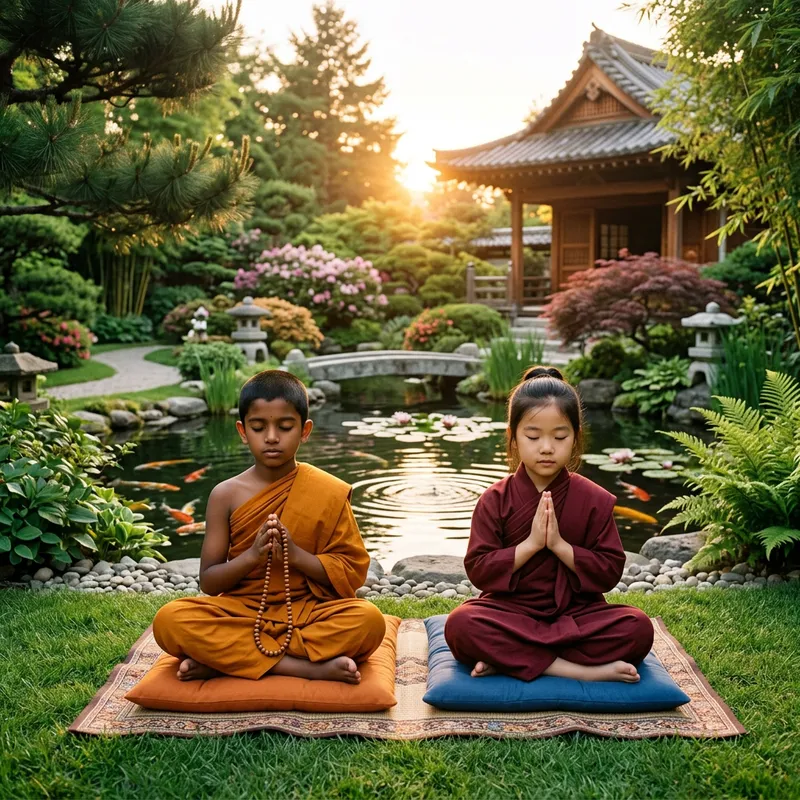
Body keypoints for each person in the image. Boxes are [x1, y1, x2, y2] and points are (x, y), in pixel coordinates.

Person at [152, 370, 386, 684]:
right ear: (242, 431)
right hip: (241, 611)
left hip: (309, 611)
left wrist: (295, 554)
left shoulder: (326, 490)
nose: (272, 437)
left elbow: (352, 572)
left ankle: (226, 661)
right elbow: (209, 581)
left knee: (369, 621)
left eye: (285, 427)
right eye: (259, 427)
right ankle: (304, 668)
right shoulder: (225, 495)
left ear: (305, 431)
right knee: (170, 620)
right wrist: (252, 556)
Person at [444, 366, 654, 683]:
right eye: (532, 435)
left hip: (577, 615)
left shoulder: (593, 499)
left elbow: (609, 571)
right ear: (513, 437)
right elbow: (479, 569)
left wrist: (560, 546)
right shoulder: (495, 499)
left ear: (575, 438)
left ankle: (510, 660)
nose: (546, 447)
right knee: (460, 624)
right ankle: (578, 671)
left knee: (638, 627)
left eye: (559, 436)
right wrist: (530, 545)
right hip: (510, 613)